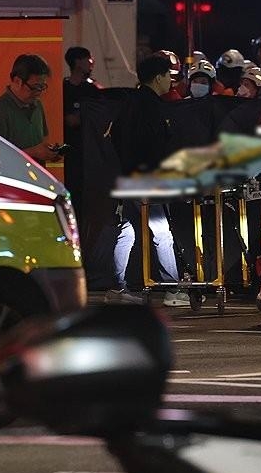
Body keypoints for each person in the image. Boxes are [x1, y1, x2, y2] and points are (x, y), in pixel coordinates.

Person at [109, 53, 188, 307]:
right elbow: (155, 147)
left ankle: (117, 287)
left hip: (127, 178)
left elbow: (116, 139)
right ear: (158, 78)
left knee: (128, 230)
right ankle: (172, 289)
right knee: (162, 233)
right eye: (168, 76)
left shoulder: (128, 104)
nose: (171, 81)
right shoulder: (152, 107)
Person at [0, 54, 60, 164]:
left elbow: (41, 140)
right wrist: (33, 152)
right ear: (17, 81)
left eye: (42, 87)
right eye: (35, 87)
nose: (39, 93)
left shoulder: (37, 105)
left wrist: (49, 153)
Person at [63, 46, 101, 203]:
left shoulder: (93, 89)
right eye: (89, 59)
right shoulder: (63, 88)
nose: (92, 63)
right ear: (77, 62)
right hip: (69, 151)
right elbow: (68, 119)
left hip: (89, 151)